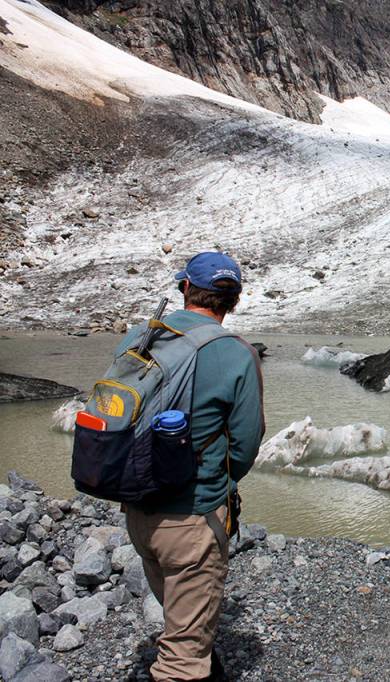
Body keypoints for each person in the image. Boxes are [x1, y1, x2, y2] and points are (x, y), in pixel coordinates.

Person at [121, 252, 265, 681]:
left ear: (184, 288)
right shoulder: (236, 354)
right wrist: (220, 487)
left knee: (178, 612)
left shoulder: (138, 338)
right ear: (234, 301)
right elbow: (245, 444)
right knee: (182, 662)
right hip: (193, 517)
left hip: (137, 506)